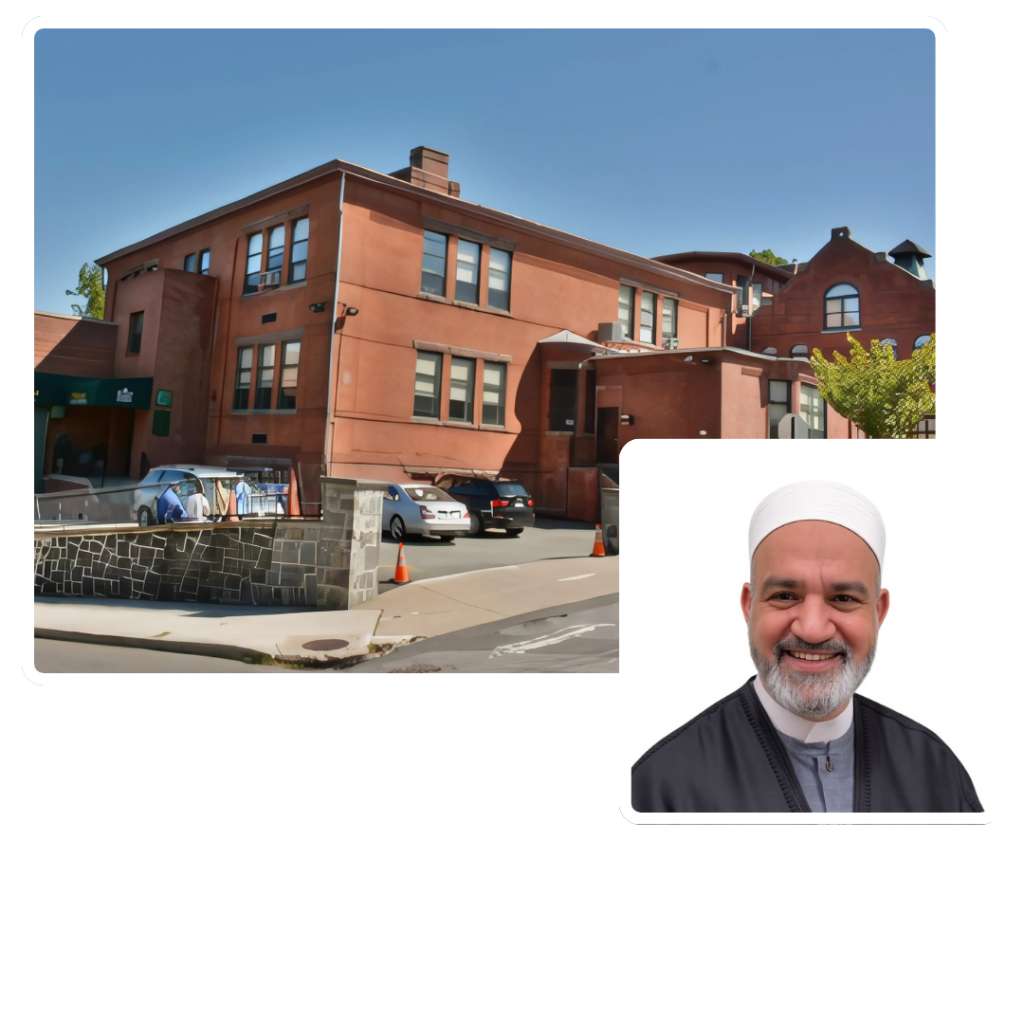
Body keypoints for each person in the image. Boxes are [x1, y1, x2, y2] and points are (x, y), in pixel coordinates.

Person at [632, 480, 983, 813]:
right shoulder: (663, 786)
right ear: (749, 606)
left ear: (878, 612)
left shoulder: (934, 772)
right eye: (785, 596)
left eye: (843, 598)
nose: (813, 630)